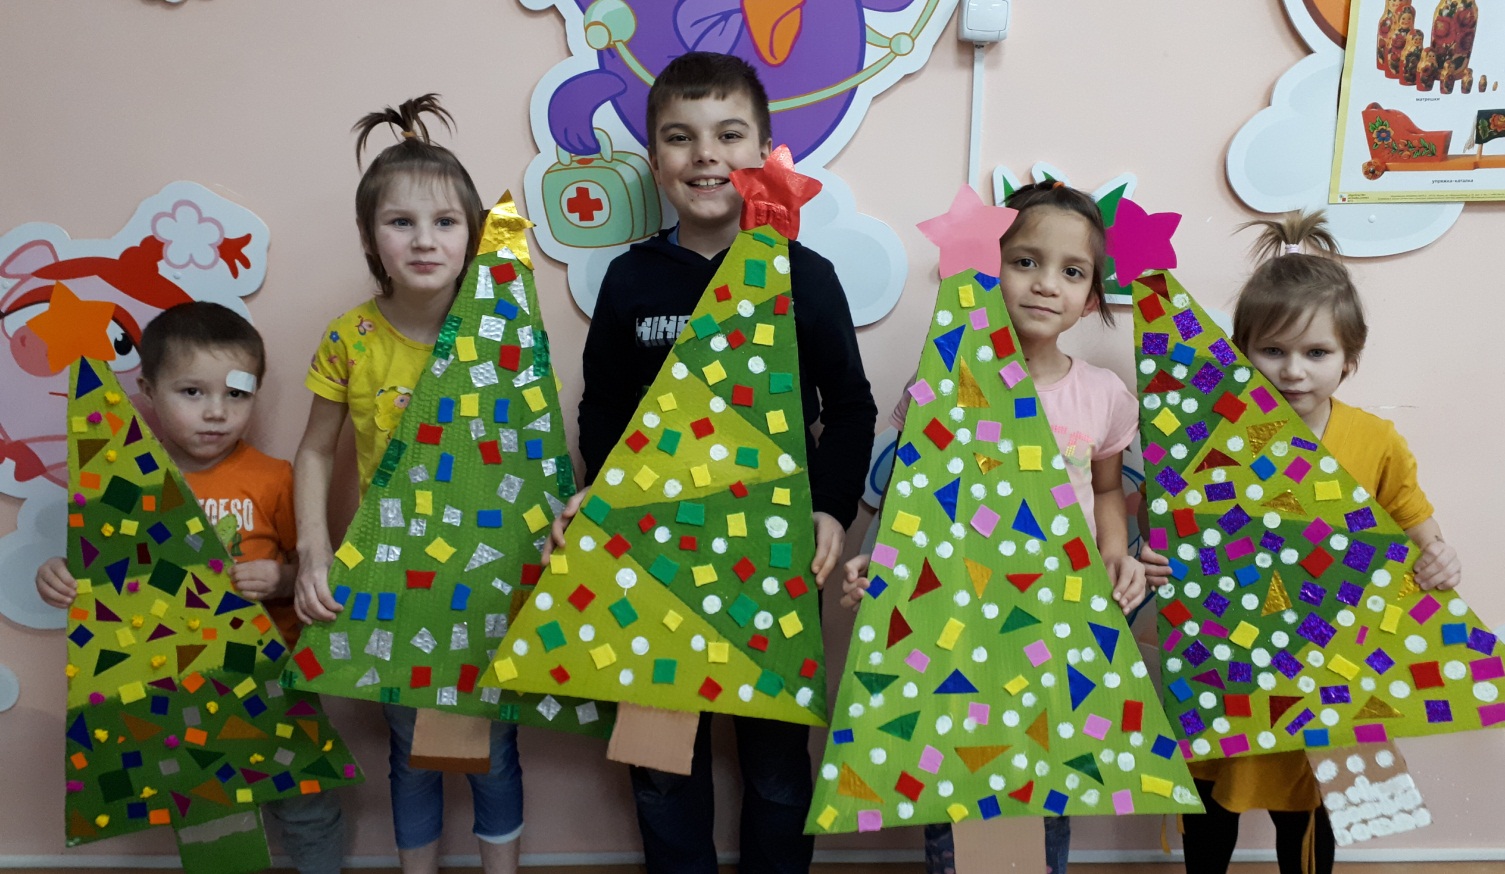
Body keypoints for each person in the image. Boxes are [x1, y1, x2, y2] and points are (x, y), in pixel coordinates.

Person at [545, 52, 877, 874]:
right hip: (652, 559)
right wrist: (599, 499)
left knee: (775, 768)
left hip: (774, 558)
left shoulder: (804, 278)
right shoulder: (630, 280)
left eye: (728, 135)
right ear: (654, 160)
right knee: (660, 768)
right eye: (679, 137)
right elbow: (602, 409)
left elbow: (850, 405)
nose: (704, 155)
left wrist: (830, 509)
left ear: (763, 152)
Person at [840, 181, 1152, 874]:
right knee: (951, 771)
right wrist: (877, 560)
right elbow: (908, 491)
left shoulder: (1102, 395)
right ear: (989, 269)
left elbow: (1108, 489)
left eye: (1072, 271)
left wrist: (1115, 555)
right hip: (955, 615)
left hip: (1059, 618)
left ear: (1091, 297)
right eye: (1025, 262)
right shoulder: (943, 379)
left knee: (1048, 777)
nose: (1046, 284)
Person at [1178, 211, 1461, 874]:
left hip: (1327, 662)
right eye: (1272, 351)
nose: (1292, 371)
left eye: (1315, 353)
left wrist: (1438, 554)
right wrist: (1156, 554)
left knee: (1307, 808)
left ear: (1348, 360)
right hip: (1229, 658)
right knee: (1212, 798)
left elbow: (1413, 518)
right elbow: (1175, 523)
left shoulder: (1374, 441)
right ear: (1241, 352)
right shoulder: (1212, 436)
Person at [290, 95, 522, 874]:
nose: (424, 240)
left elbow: (528, 456)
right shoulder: (351, 338)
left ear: (473, 235)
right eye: (401, 222)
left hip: (484, 576)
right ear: (369, 238)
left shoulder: (499, 336)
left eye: (445, 222)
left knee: (489, 747)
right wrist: (315, 550)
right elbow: (314, 451)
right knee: (410, 746)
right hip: (387, 578)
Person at [35, 301, 346, 874]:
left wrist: (281, 578)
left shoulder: (276, 478)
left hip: (271, 681)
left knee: (306, 805)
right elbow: (103, 573)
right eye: (192, 392)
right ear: (149, 392)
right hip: (175, 691)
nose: (217, 412)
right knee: (210, 818)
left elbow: (314, 575)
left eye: (237, 394)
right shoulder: (125, 486)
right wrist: (57, 574)